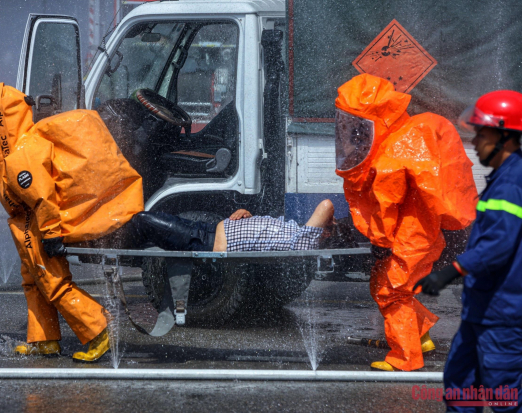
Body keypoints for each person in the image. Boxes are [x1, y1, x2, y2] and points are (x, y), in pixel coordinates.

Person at [0, 83, 144, 362]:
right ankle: (43, 339)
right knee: (33, 280)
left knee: (51, 280)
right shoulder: (16, 152)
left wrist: (52, 234)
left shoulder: (20, 155)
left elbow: (43, 198)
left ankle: (99, 329)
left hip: (39, 224)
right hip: (28, 224)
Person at [334, 74, 477, 371]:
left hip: (414, 232)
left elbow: (386, 207)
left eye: (359, 127)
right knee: (381, 283)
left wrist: (379, 243)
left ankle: (405, 357)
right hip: (415, 228)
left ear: (378, 120)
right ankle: (417, 334)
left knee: (392, 290)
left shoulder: (396, 151)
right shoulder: (399, 139)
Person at [415, 90, 522, 411]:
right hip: (483, 311)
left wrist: (450, 272)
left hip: (502, 315)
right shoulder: (503, 178)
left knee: (505, 395)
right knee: (461, 383)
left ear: (506, 136)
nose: (474, 142)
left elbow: (498, 245)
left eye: (482, 134)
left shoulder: (512, 183)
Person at [71, 200, 335, 253]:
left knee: (143, 219)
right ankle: (90, 233)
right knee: (146, 221)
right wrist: (248, 217)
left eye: (328, 227)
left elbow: (325, 205)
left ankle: (86, 241)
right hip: (208, 228)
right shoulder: (298, 234)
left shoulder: (305, 241)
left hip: (204, 241)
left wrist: (331, 225)